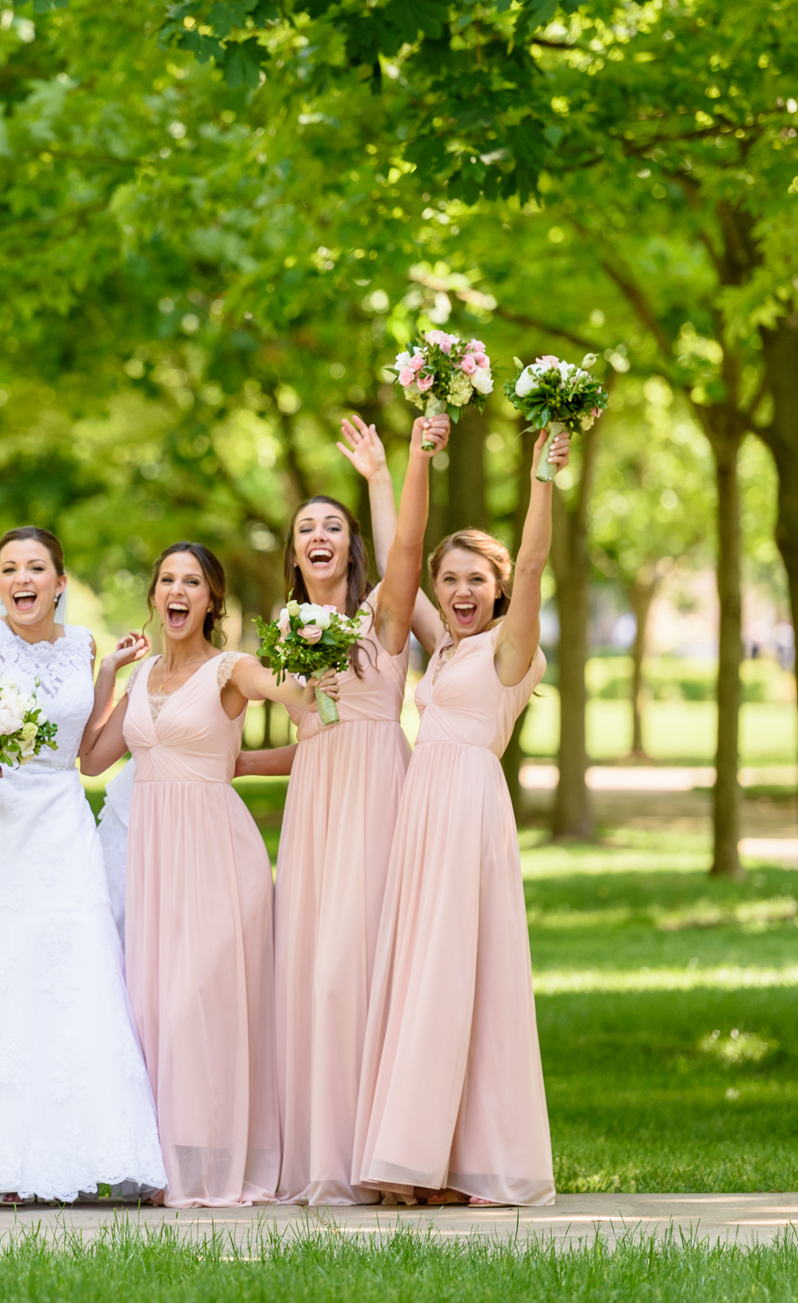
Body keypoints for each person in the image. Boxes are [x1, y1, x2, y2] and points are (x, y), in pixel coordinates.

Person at [354, 419, 569, 1208]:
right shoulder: (443, 645)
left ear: (500, 587)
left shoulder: (510, 650)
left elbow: (539, 557)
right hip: (423, 813)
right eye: (453, 581)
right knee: (424, 975)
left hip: (470, 815)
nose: (461, 592)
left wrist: (544, 475)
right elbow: (399, 561)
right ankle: (421, 1159)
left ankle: (450, 1161)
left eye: (478, 579)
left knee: (457, 974)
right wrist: (389, 472)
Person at [0, 527, 166, 1207]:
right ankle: (2, 1158)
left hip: (60, 817)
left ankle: (101, 1146)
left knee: (76, 966)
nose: (23, 578)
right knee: (1, 968)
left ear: (60, 580)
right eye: (10, 568)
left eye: (37, 567)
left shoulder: (83, 642)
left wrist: (112, 673)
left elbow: (88, 752)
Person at [79, 542, 312, 1208]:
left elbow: (308, 711)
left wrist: (250, 760)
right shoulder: (144, 672)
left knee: (200, 1006)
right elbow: (94, 759)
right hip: (153, 855)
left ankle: (213, 1167)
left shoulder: (232, 669)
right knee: (153, 1006)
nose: (177, 592)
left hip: (217, 852)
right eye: (167, 580)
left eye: (193, 582)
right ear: (154, 595)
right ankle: (166, 1164)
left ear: (212, 599)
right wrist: (107, 679)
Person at [272, 416, 448, 1205]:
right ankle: (327, 1153)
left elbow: (409, 547)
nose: (319, 535)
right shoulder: (285, 625)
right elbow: (300, 719)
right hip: (316, 794)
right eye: (307, 528)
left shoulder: (384, 608)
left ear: (351, 546)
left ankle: (387, 1148)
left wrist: (385, 474)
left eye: (332, 527)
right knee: (314, 967)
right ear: (295, 551)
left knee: (364, 959)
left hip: (378, 783)